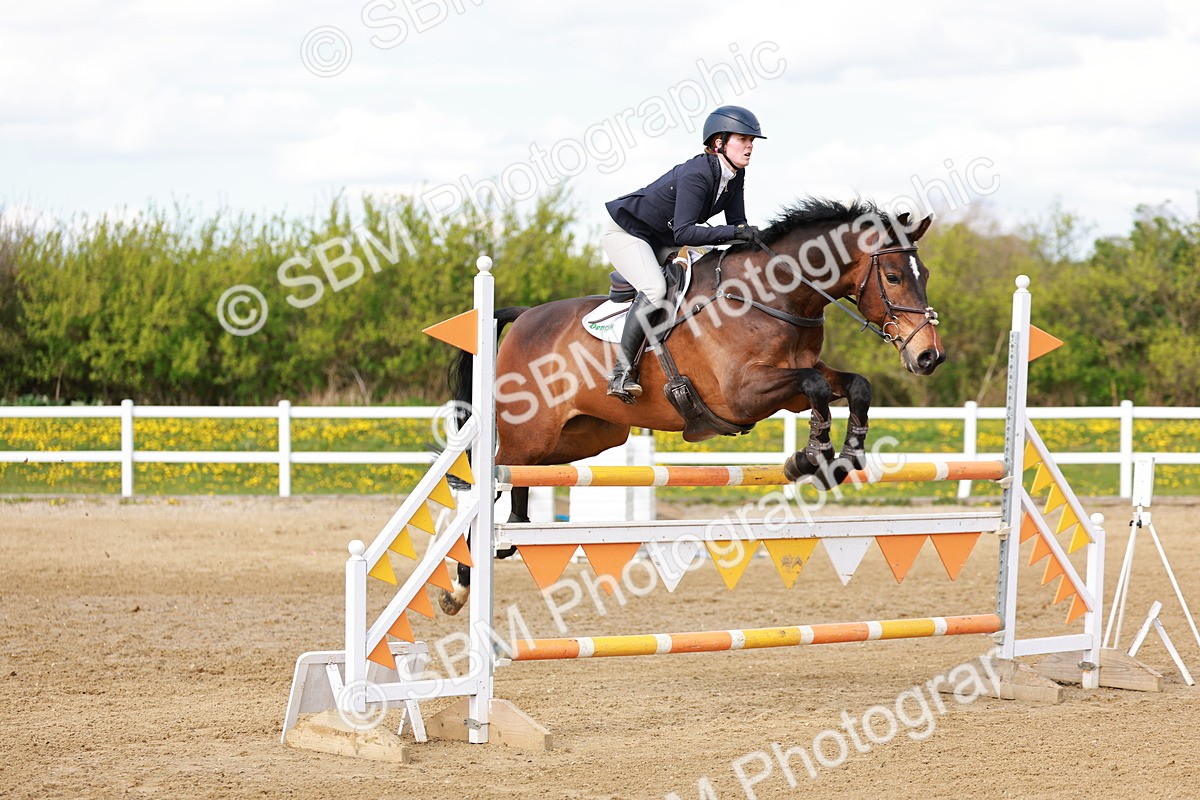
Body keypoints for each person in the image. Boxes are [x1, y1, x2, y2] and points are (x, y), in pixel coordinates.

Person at [602, 105, 766, 404]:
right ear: (719, 142)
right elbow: (685, 233)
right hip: (628, 233)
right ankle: (621, 373)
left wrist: (764, 244)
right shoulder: (698, 174)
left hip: (659, 237)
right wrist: (734, 234)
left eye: (752, 140)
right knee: (654, 288)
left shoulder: (734, 176)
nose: (750, 145)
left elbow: (736, 225)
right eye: (743, 138)